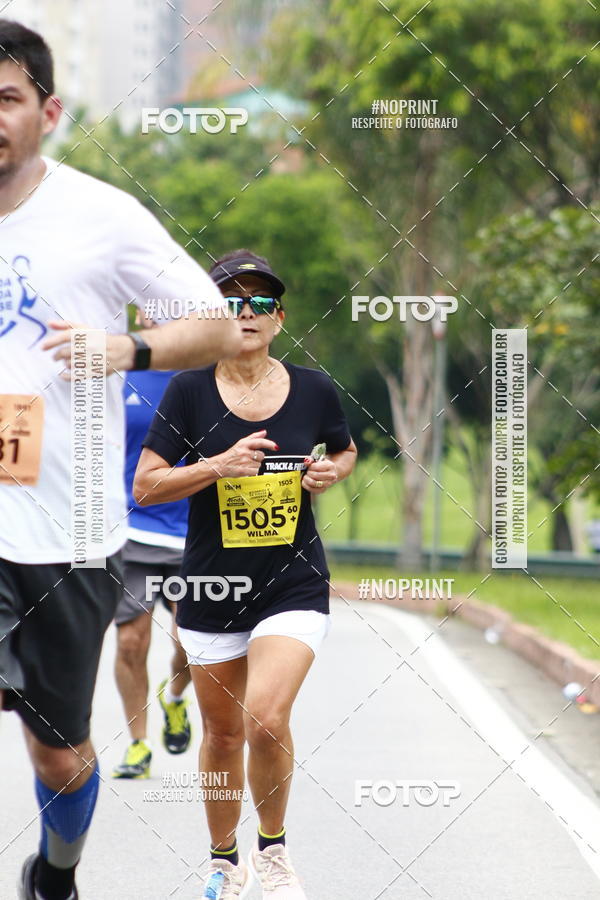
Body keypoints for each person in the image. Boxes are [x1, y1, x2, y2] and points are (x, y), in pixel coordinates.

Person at [0, 20, 240, 900]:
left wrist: (125, 350)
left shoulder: (100, 215)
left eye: (7, 98)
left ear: (49, 112)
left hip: (70, 537)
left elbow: (213, 322)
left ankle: (56, 875)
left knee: (59, 754)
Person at [134, 249, 358, 899]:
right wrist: (216, 465)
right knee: (224, 733)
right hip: (210, 589)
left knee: (264, 718)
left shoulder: (314, 390)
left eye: (260, 302)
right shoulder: (190, 391)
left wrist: (330, 472)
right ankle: (225, 860)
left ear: (279, 318)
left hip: (292, 582)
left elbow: (342, 451)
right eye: (232, 302)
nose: (247, 313)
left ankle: (275, 850)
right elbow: (147, 484)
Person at [112, 362, 192, 780]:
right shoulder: (119, 375)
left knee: (193, 644)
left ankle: (174, 696)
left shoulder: (213, 374)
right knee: (130, 641)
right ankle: (138, 744)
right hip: (133, 530)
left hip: (195, 535)